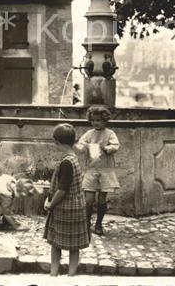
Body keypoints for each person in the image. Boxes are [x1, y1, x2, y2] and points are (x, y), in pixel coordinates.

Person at [43, 123, 90, 276]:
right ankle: (71, 276)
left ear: (57, 142)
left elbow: (62, 190)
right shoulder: (74, 158)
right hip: (78, 206)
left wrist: (50, 204)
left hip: (65, 208)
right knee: (74, 245)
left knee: (56, 243)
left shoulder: (65, 163)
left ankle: (53, 274)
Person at [77, 105, 120, 236]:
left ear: (105, 120)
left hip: (105, 170)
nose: (96, 123)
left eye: (99, 120)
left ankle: (99, 224)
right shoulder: (89, 134)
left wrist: (107, 148)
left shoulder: (110, 133)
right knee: (88, 199)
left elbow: (116, 145)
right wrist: (86, 147)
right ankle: (86, 222)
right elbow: (79, 145)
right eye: (94, 120)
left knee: (102, 199)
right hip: (91, 169)